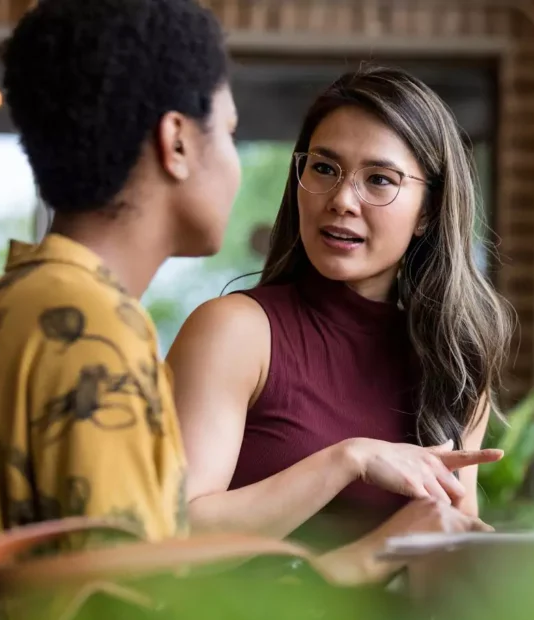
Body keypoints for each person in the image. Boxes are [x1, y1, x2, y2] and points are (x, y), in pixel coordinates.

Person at [0, 0, 239, 620]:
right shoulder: (93, 335)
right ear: (177, 141)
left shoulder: (10, 306)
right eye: (229, 131)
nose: (236, 164)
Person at [167, 66, 515, 586]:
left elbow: (445, 551)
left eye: (379, 179)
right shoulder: (236, 332)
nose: (342, 200)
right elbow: (173, 542)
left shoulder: (455, 363)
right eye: (324, 168)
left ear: (428, 211)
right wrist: (347, 459)